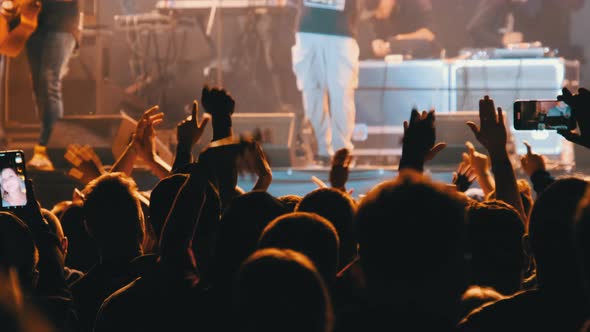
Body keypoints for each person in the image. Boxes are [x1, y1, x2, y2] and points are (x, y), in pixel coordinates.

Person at [292, 0, 361, 164]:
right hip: (308, 29)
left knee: (341, 93)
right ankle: (321, 151)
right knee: (311, 92)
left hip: (339, 31)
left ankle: (342, 152)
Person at [26, 0, 81, 171]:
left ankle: (48, 148)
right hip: (33, 26)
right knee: (40, 88)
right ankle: (48, 148)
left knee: (50, 83)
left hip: (61, 26)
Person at [366, 0, 438, 58]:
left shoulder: (417, 3)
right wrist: (377, 44)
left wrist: (399, 40)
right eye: (375, 13)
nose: (379, 16)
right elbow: (380, 39)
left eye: (381, 10)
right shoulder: (379, 16)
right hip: (394, 62)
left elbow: (430, 34)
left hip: (426, 59)